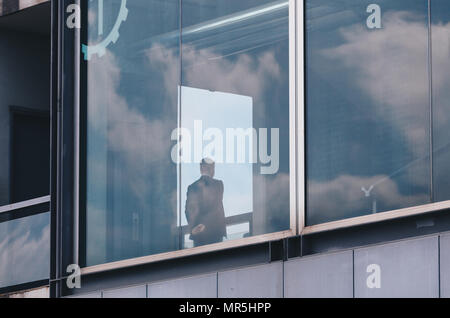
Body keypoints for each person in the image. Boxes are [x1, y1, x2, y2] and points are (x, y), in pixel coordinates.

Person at [185, 158, 226, 247]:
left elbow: (188, 211)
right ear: (211, 168)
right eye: (213, 168)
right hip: (215, 232)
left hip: (198, 234)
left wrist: (194, 227)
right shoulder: (218, 184)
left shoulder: (192, 187)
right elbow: (215, 206)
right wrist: (204, 225)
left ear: (201, 169)